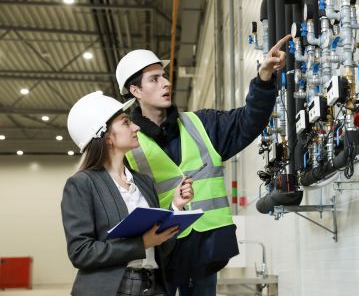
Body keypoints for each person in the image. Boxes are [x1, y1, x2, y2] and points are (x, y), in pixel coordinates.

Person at [115, 34, 290, 295]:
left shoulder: (202, 124)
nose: (166, 82)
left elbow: (248, 121)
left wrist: (263, 78)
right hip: (162, 257)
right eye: (155, 79)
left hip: (208, 250)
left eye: (164, 76)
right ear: (136, 90)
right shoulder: (128, 143)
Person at [61, 92, 194, 296]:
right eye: (126, 123)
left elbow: (161, 249)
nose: (136, 127)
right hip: (112, 289)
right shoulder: (82, 184)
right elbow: (81, 252)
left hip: (153, 285)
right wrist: (142, 243)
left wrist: (176, 207)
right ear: (107, 138)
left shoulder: (144, 182)